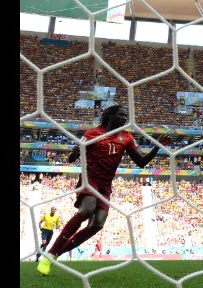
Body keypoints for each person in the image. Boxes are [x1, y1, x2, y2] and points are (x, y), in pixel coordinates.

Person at [37, 105, 171, 276]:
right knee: (87, 210)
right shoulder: (91, 134)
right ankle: (50, 255)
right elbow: (71, 159)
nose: (124, 119)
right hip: (90, 179)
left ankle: (55, 254)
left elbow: (141, 162)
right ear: (110, 116)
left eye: (126, 116)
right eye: (121, 115)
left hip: (106, 185)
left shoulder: (127, 137)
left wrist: (157, 146)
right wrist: (75, 153)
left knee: (98, 224)